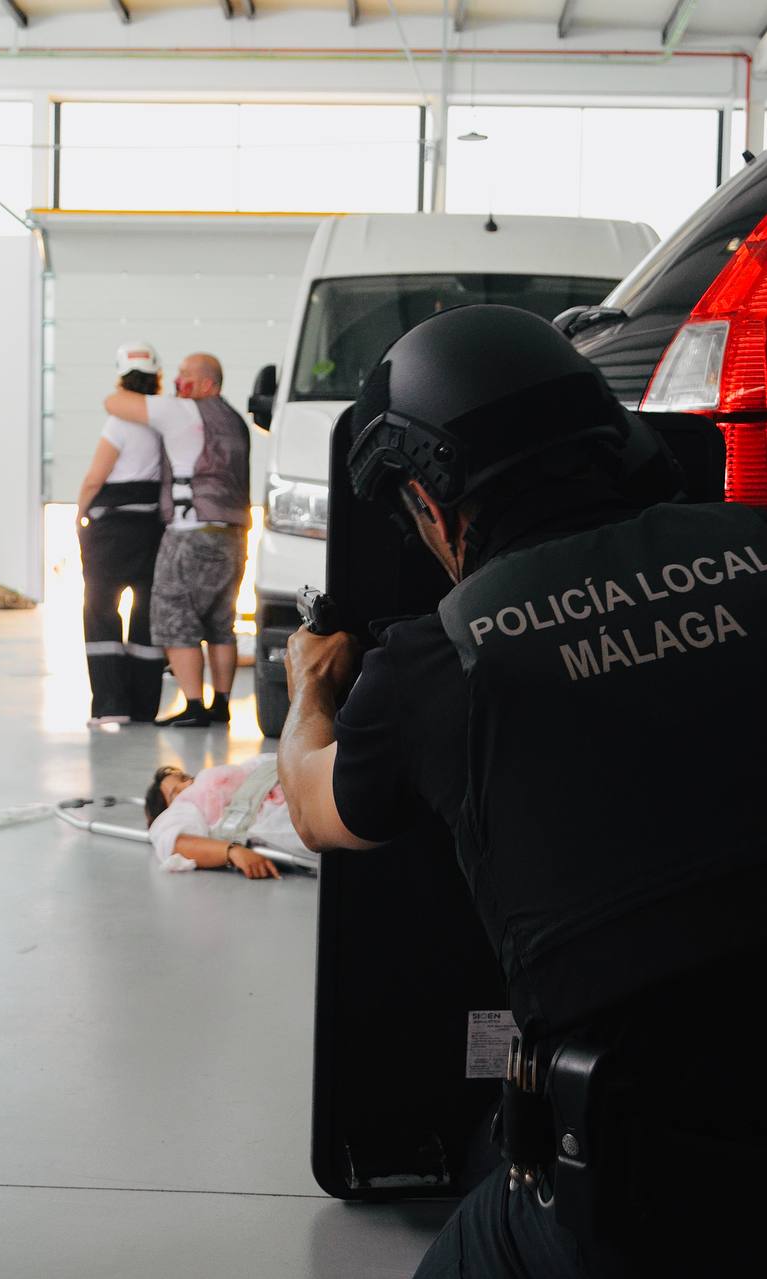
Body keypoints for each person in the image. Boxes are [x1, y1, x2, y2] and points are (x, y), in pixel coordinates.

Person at [277, 304, 767, 1277]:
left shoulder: (441, 656)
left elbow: (315, 806)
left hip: (647, 1186)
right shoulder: (755, 550)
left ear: (436, 503)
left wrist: (311, 686)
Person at [105, 352, 250, 728]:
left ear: (207, 384)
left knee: (174, 619)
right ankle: (221, 704)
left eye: (184, 374)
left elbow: (115, 403)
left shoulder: (183, 412)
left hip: (190, 533)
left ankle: (193, 706)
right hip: (233, 535)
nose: (176, 381)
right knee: (221, 623)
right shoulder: (235, 420)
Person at [77, 341, 165, 725]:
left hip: (112, 531)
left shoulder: (118, 422)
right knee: (147, 613)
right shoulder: (163, 419)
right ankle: (145, 707)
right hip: (152, 529)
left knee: (101, 611)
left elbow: (96, 476)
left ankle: (111, 707)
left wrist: (80, 512)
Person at [145, 754, 314, 878]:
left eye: (184, 777)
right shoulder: (182, 809)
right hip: (289, 810)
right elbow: (173, 842)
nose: (188, 783)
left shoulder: (223, 775)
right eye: (176, 793)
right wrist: (232, 852)